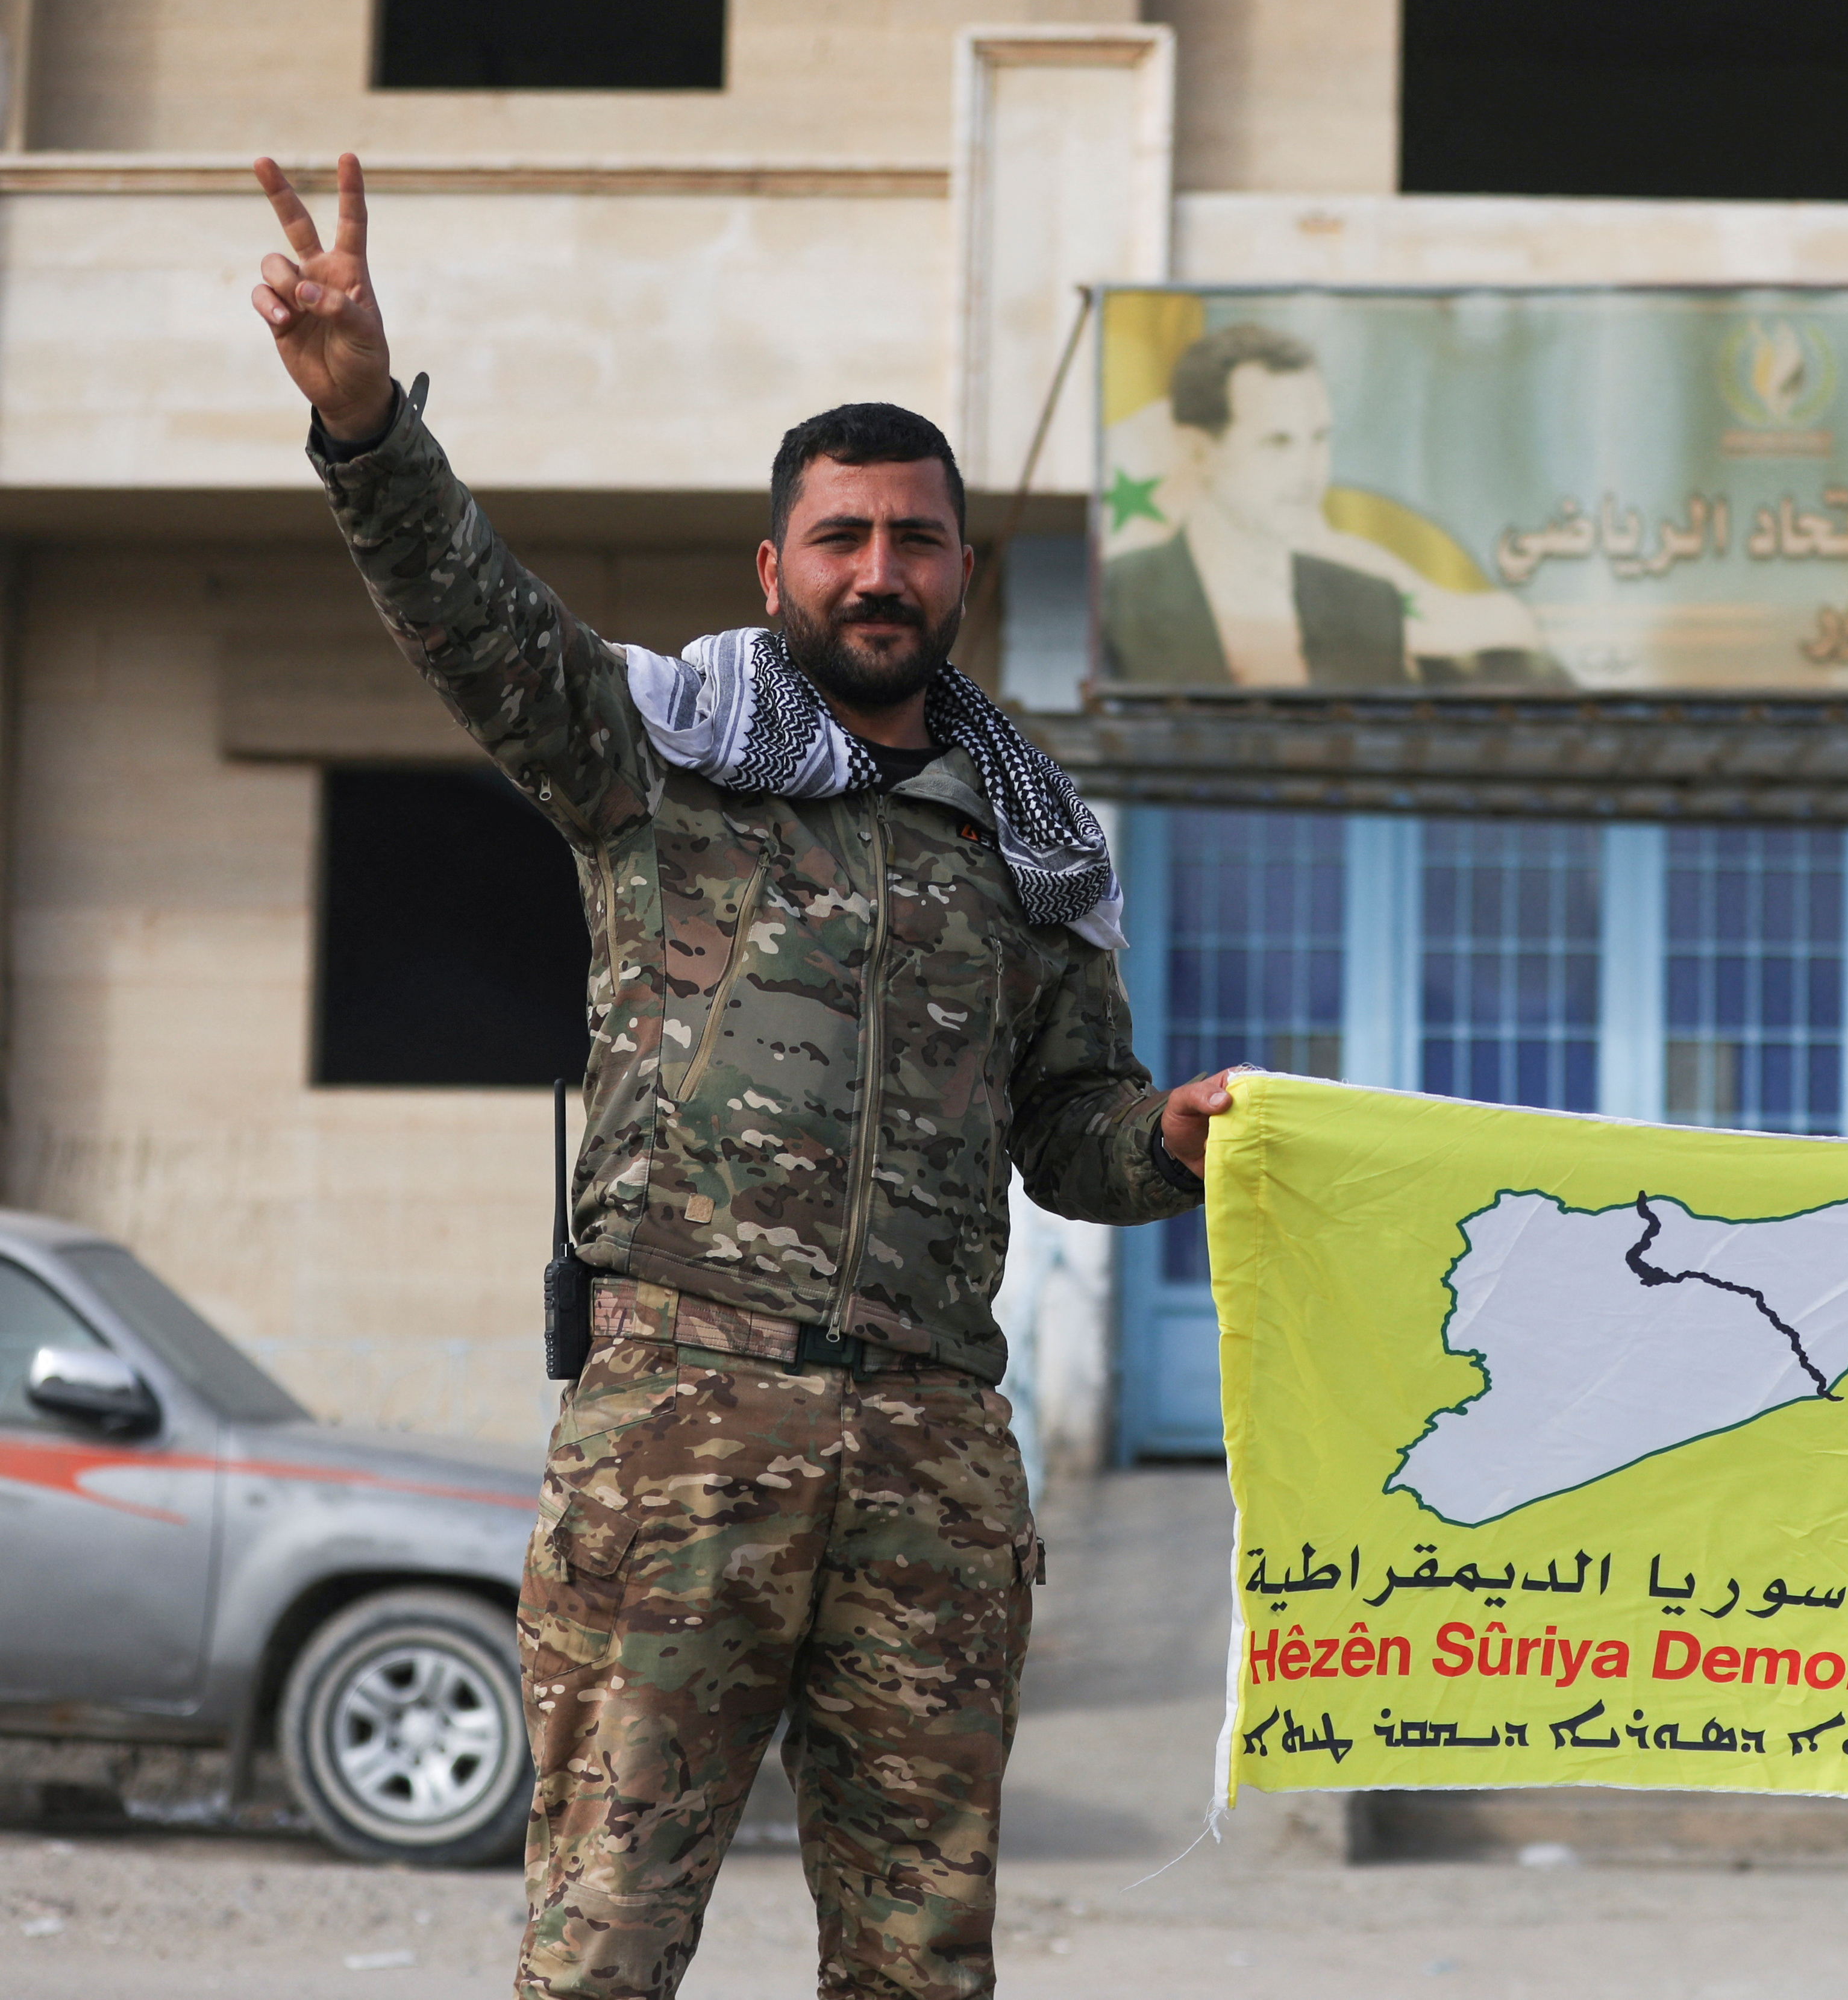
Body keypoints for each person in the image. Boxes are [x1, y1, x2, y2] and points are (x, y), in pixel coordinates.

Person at [248, 152, 1237, 2000]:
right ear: (775, 566)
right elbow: (473, 616)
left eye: (916, 539)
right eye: (843, 536)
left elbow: (1069, 1133)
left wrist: (1168, 1138)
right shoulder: (656, 760)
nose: (881, 570)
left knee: (921, 1962)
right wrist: (367, 419)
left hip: (933, 1460)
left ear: (963, 570)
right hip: (681, 1432)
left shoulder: (1030, 845)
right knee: (605, 1947)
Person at [1104, 321, 1559, 686]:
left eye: (1318, 439)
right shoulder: (1121, 595)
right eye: (1277, 442)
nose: (1308, 472)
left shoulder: (1367, 603)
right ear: (1198, 451)